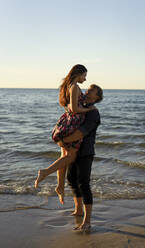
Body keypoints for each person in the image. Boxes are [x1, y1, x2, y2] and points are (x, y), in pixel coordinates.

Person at [34, 64, 95, 204]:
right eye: (84, 75)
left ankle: (60, 187)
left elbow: (68, 106)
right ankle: (45, 172)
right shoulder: (74, 87)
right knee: (70, 156)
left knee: (64, 157)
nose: (85, 79)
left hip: (66, 122)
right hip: (73, 124)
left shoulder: (67, 86)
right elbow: (74, 108)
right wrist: (89, 109)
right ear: (79, 74)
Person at [58, 84, 103, 232]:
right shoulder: (81, 106)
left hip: (85, 152)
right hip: (74, 151)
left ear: (96, 97)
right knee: (71, 179)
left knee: (84, 184)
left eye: (91, 90)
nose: (88, 90)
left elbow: (81, 133)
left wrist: (63, 141)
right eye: (88, 88)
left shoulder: (93, 113)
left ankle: (87, 221)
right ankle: (78, 210)